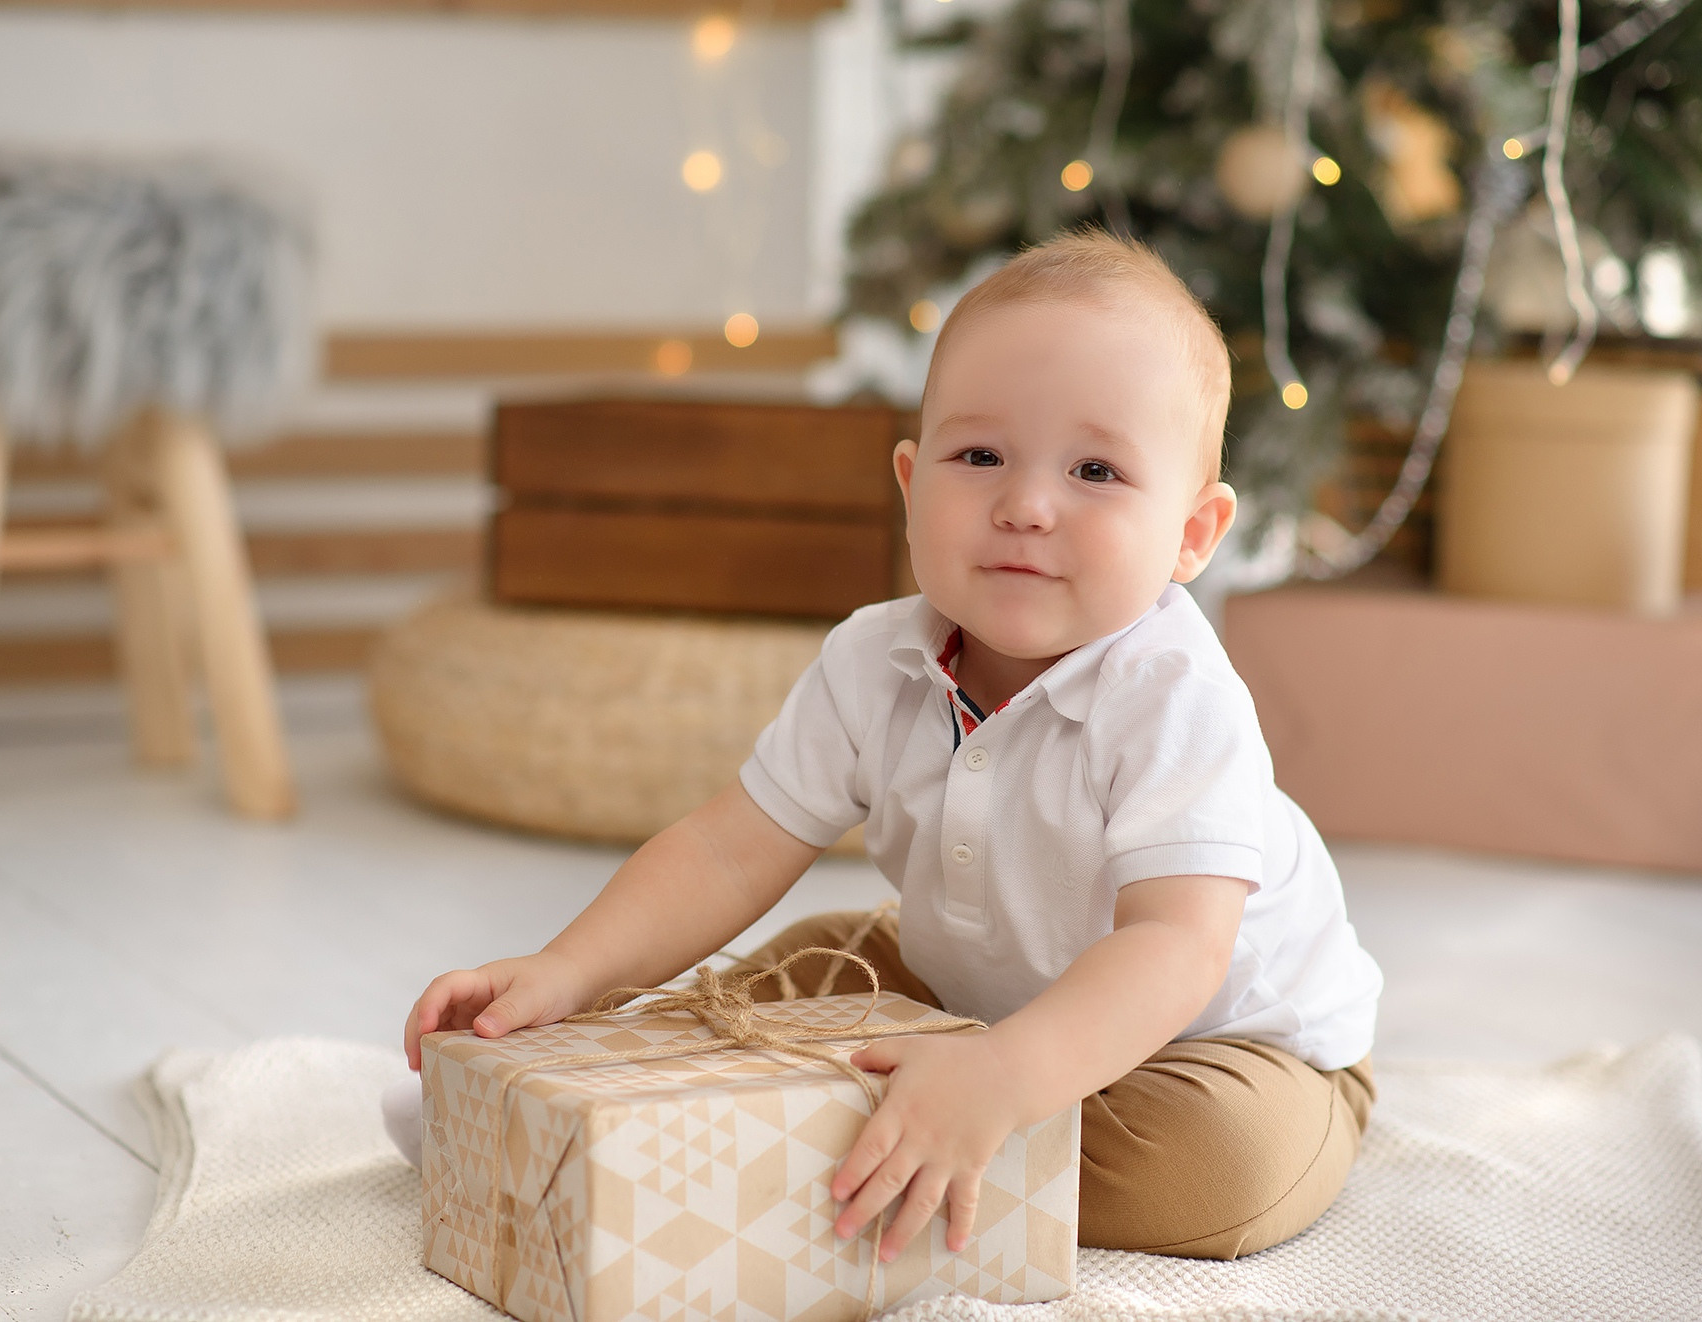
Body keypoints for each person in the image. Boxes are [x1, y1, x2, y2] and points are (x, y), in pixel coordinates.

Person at [391, 229, 1382, 1262]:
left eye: (1095, 469)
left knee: (1205, 1170)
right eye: (980, 455)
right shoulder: (876, 658)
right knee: (758, 991)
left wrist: (1002, 1078)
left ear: (1192, 533)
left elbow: (1176, 946)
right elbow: (730, 849)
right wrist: (570, 970)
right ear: (912, 482)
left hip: (1220, 1044)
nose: (1026, 505)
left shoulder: (1173, 694)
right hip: (970, 986)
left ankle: (832, 1151)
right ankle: (562, 1119)